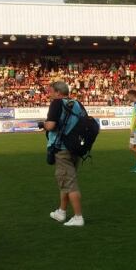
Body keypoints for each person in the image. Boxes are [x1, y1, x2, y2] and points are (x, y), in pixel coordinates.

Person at [44, 81, 85, 227]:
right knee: (66, 181)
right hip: (76, 148)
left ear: (58, 93)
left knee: (69, 182)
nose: (49, 94)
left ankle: (78, 217)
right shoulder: (77, 104)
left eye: (51, 91)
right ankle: (61, 211)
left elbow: (50, 125)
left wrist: (42, 124)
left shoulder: (57, 103)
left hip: (61, 148)